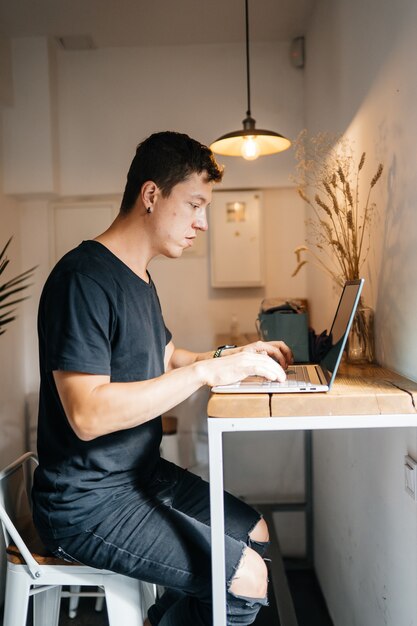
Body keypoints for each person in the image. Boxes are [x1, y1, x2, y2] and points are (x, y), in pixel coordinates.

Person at [32, 131, 293, 626]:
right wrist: (207, 371)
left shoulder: (141, 278)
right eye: (195, 204)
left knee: (255, 531)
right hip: (87, 502)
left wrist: (230, 355)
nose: (204, 222)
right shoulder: (83, 279)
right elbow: (87, 415)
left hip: (141, 478)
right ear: (152, 196)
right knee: (246, 577)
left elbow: (170, 355)